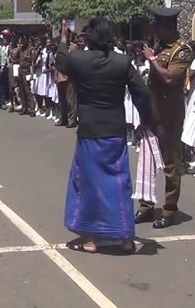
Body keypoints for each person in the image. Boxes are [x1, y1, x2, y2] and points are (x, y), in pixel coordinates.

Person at [55, 17, 152, 254]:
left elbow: (61, 61)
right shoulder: (122, 62)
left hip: (90, 130)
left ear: (90, 38)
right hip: (115, 129)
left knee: (88, 182)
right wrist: (147, 121)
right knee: (119, 182)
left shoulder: (78, 59)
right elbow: (141, 92)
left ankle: (90, 238)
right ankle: (127, 237)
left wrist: (63, 39)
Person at [135, 7, 193, 229]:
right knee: (147, 161)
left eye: (157, 27)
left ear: (167, 27)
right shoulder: (160, 47)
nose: (155, 31)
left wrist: (151, 59)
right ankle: (146, 205)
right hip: (153, 111)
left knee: (170, 163)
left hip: (170, 115)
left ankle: (169, 210)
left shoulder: (182, 50)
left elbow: (170, 79)